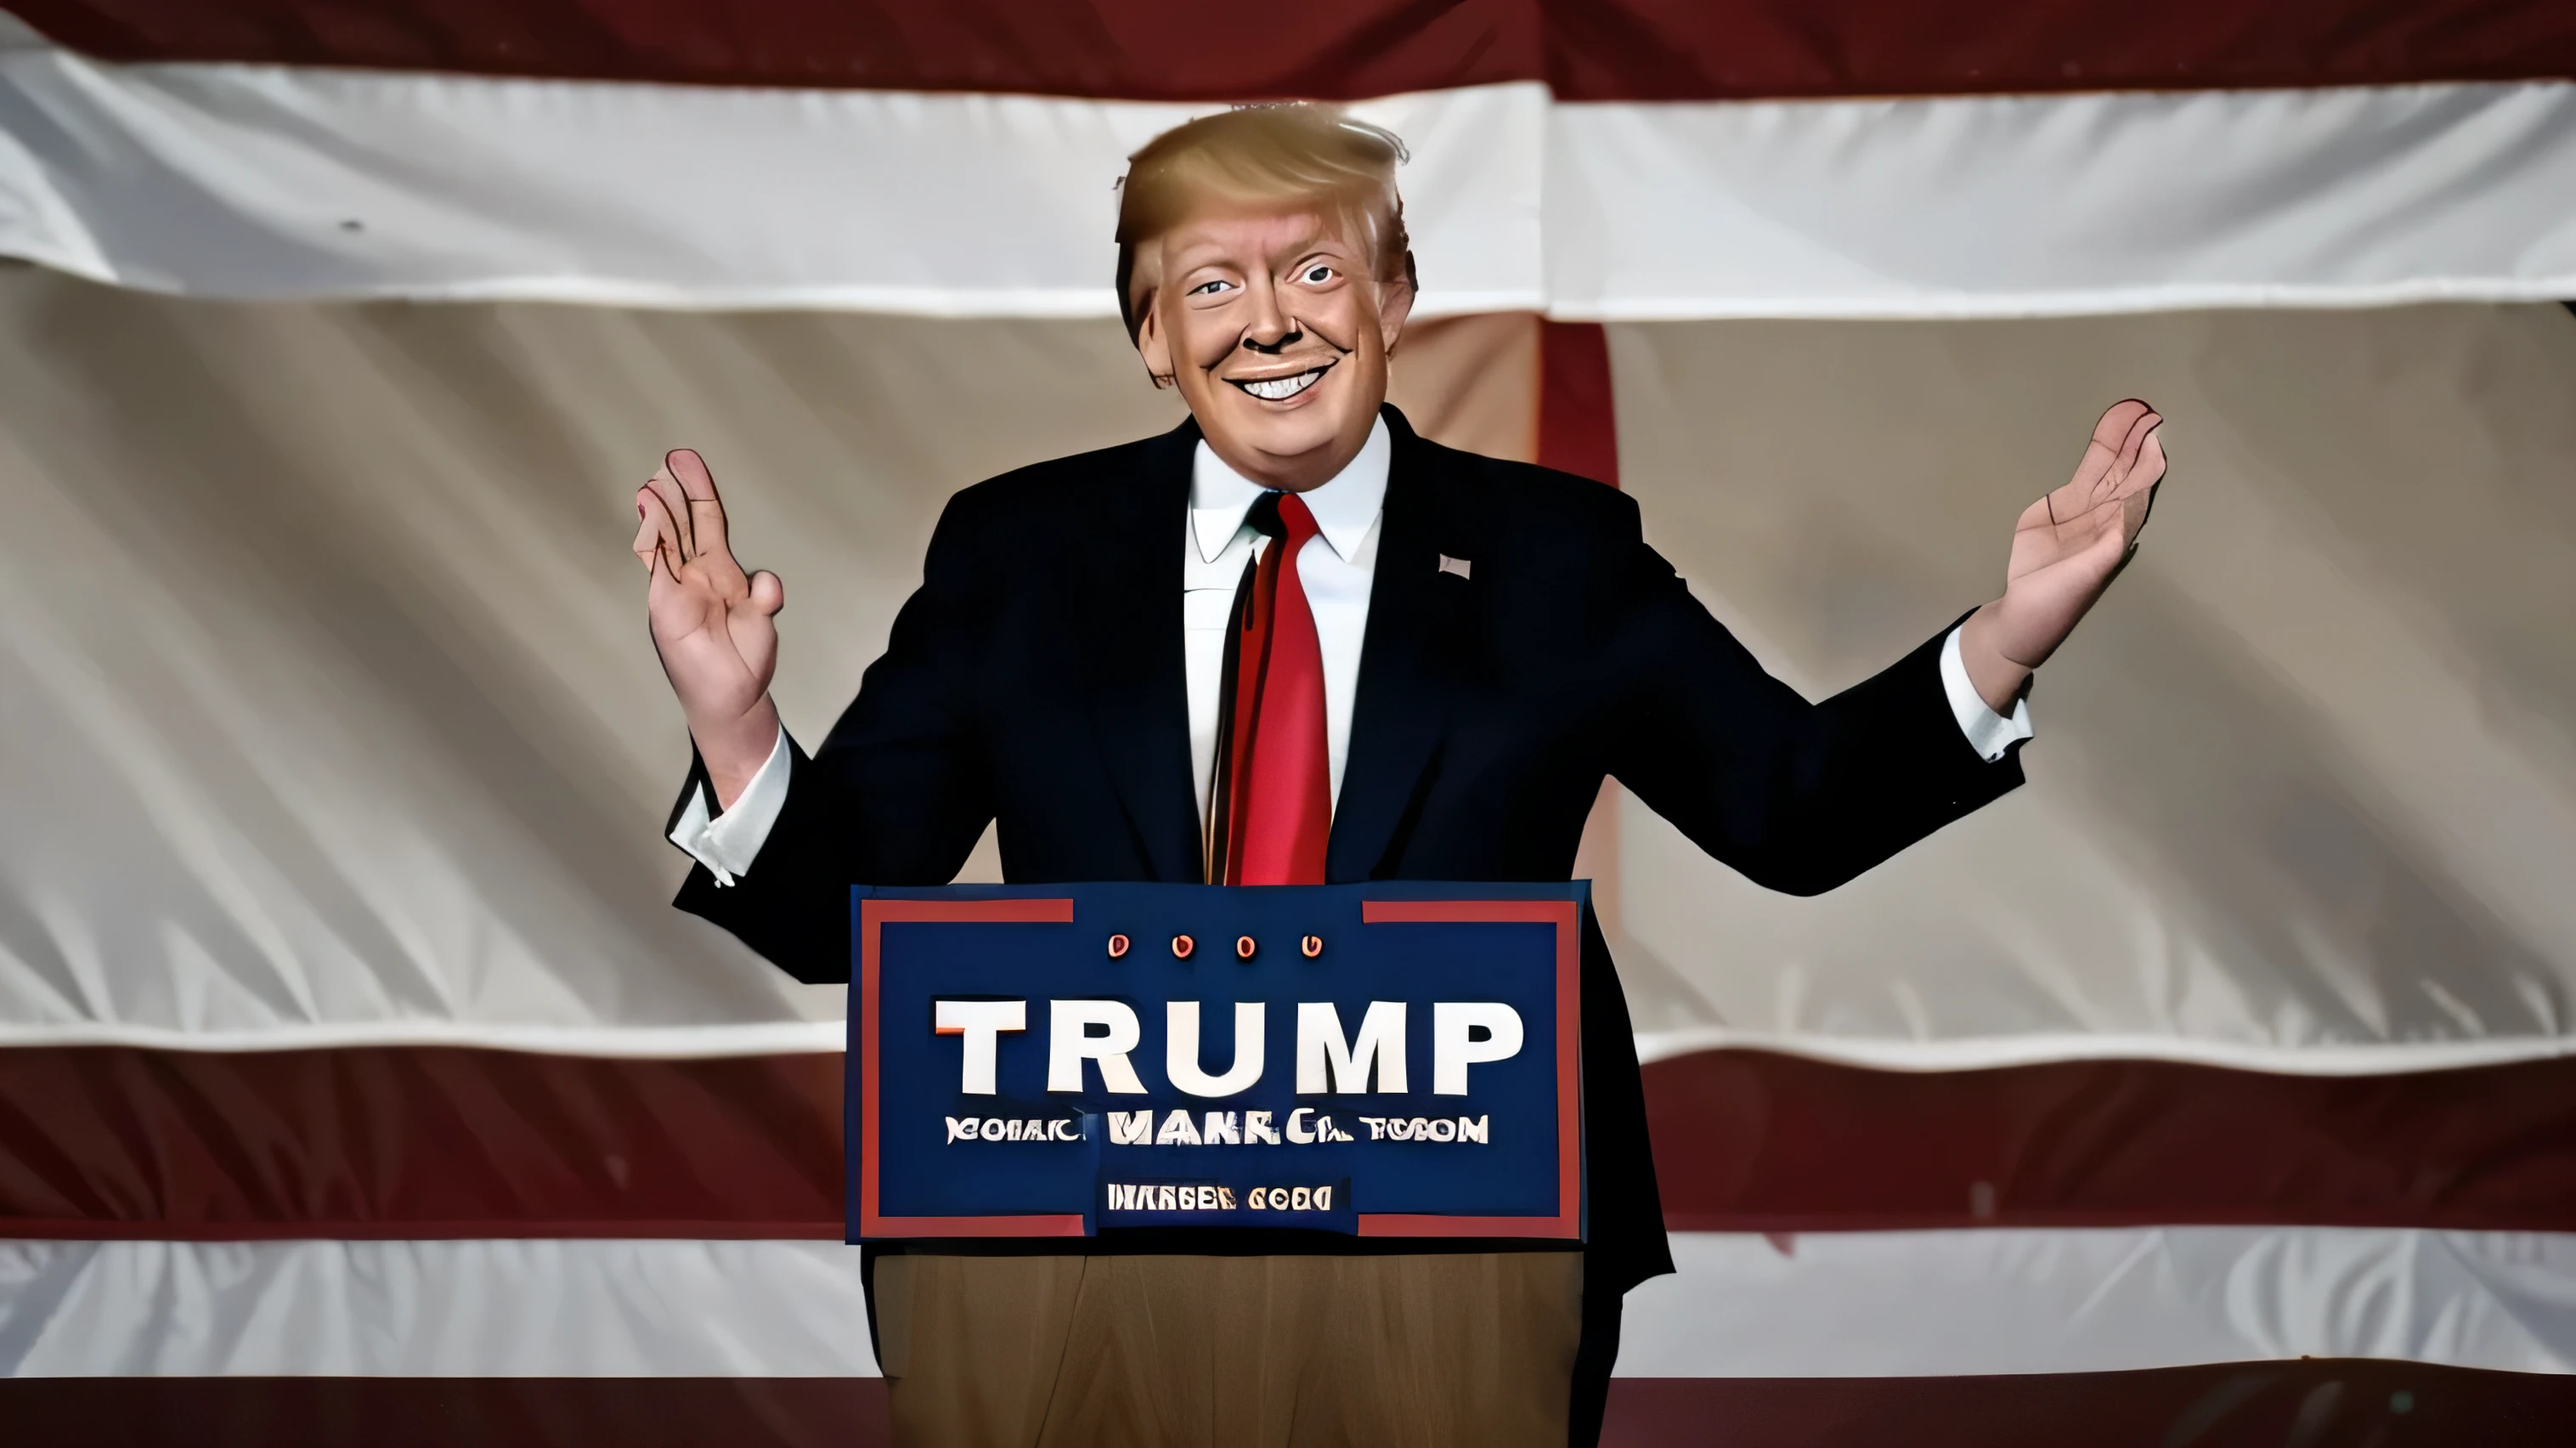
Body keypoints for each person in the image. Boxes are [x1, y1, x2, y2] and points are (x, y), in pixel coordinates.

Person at [630, 104, 2164, 1447]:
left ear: (1394, 297)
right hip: (1065, 1252)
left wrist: (2007, 640)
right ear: (1153, 335)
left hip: (1460, 1252)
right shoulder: (1019, 553)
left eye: (1314, 270)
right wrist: (736, 729)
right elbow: (846, 916)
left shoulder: (1562, 559)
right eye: (1211, 283)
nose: (1270, 321)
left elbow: (1796, 810)